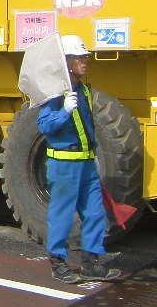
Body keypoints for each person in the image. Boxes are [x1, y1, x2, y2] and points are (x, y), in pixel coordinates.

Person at [37, 35, 122, 284]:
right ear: (67, 62)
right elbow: (45, 125)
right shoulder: (54, 93)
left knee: (95, 212)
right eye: (80, 58)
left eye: (85, 58)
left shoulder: (82, 90)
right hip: (64, 164)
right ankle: (58, 262)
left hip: (85, 163)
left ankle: (91, 263)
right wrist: (64, 111)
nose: (85, 62)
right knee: (62, 215)